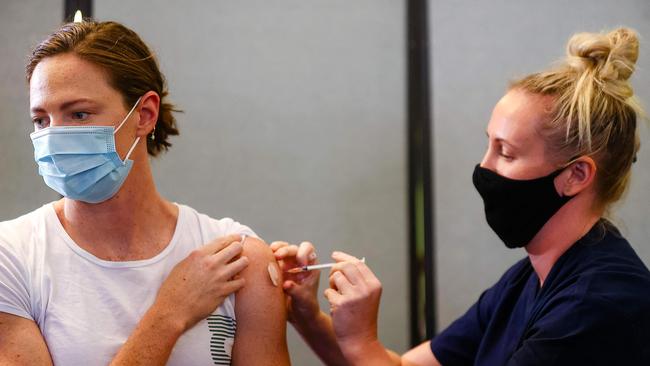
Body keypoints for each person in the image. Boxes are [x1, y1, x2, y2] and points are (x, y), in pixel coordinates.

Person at [272, 28, 650, 365]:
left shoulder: (597, 306)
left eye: (506, 152)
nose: (483, 169)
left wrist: (361, 338)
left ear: (576, 176)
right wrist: (307, 314)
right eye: (489, 145)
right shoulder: (526, 281)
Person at [0, 20, 289, 365]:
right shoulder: (13, 257)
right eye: (41, 120)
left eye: (79, 114)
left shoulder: (238, 260)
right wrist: (169, 313)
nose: (54, 138)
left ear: (145, 114)